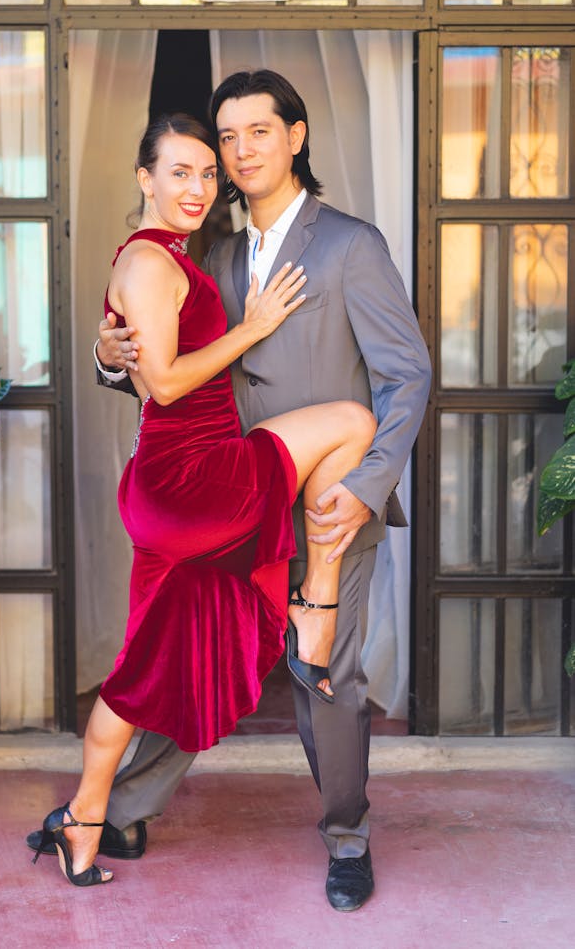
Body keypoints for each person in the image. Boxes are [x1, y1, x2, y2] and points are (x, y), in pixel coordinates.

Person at [29, 71, 432, 910]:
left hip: (323, 500)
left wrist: (366, 486)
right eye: (227, 137)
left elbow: (406, 375)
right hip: (224, 492)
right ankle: (122, 810)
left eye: (258, 132)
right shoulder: (202, 250)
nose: (240, 151)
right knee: (196, 649)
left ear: (296, 136)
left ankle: (346, 837)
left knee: (326, 675)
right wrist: (112, 356)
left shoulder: (349, 244)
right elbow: (171, 375)